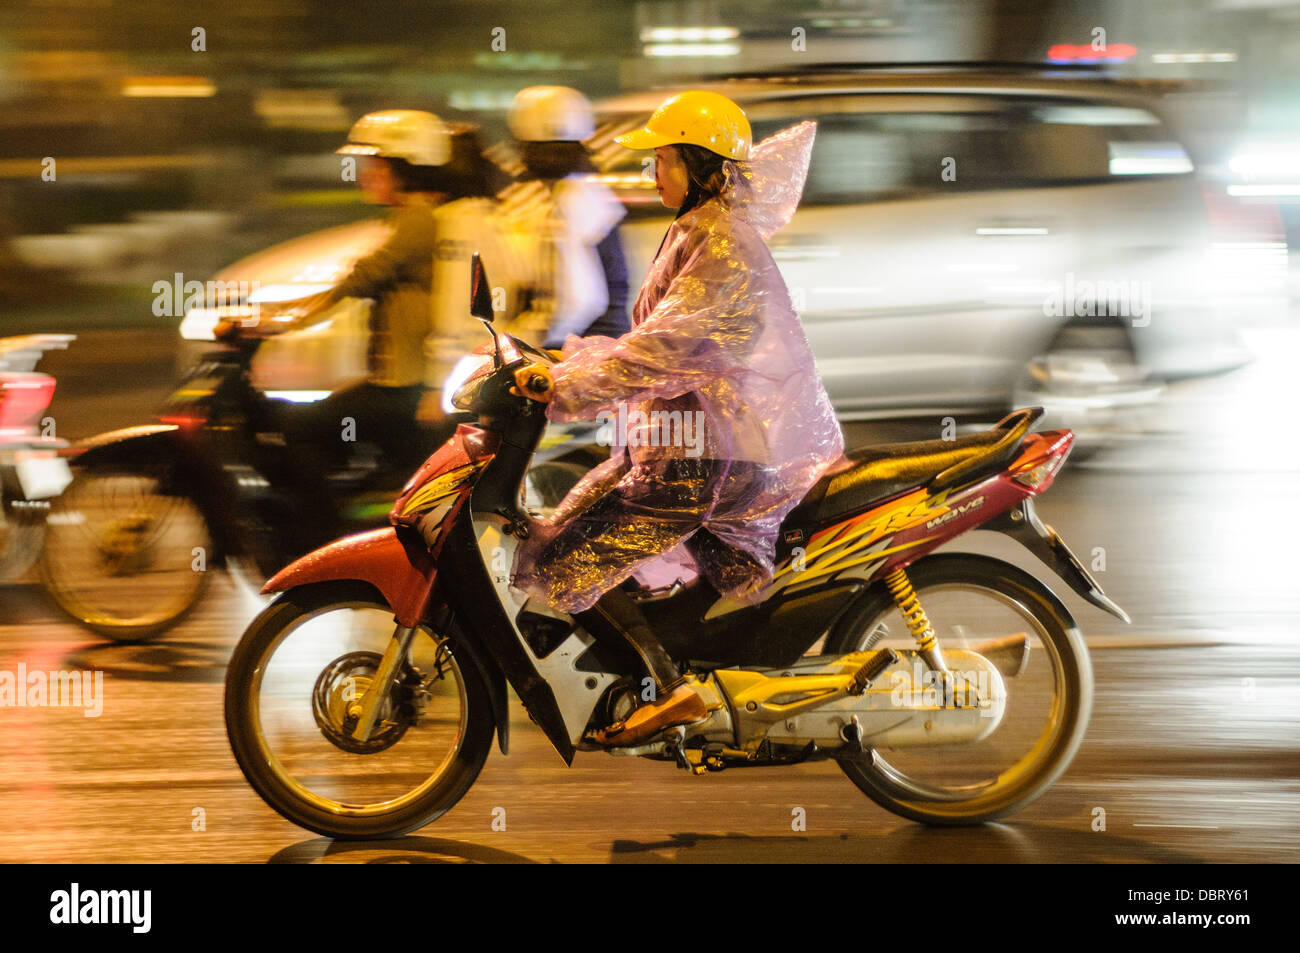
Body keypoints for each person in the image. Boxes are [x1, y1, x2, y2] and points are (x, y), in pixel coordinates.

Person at [510, 91, 845, 746]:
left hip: (704, 459)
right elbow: (653, 339)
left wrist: (564, 385)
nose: (651, 174)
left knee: (562, 559)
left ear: (701, 164)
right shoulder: (698, 227)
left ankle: (669, 689)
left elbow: (665, 347)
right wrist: (558, 362)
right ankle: (659, 669)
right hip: (680, 443)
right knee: (560, 531)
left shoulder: (719, 241)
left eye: (663, 160)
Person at [501, 85, 630, 347]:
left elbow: (579, 299)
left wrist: (534, 346)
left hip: (581, 351)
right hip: (592, 346)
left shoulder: (573, 200)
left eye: (524, 145)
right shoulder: (581, 193)